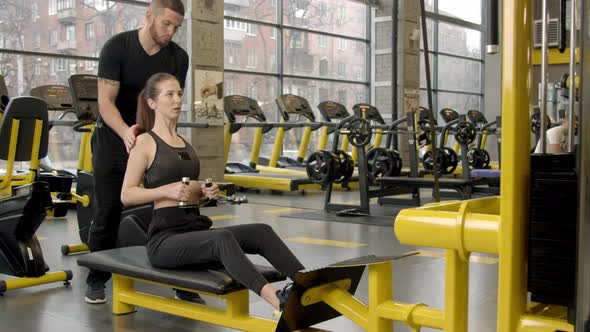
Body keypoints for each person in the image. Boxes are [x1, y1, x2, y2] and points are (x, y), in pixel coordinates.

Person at [121, 73, 304, 311]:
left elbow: (189, 189)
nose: (177, 99)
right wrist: (165, 190)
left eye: (179, 93)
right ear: (152, 103)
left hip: (193, 229)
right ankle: (277, 299)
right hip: (165, 240)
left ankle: (308, 283)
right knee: (221, 238)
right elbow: (127, 195)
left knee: (262, 231)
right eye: (169, 94)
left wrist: (206, 192)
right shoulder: (144, 142)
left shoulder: (184, 142)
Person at [85, 0, 196, 304]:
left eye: (176, 27)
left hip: (153, 139)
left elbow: (170, 104)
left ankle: (182, 277)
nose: (171, 32)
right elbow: (106, 101)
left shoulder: (178, 58)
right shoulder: (117, 47)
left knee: (172, 206)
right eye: (166, 24)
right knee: (108, 210)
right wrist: (125, 132)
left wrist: (167, 142)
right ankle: (97, 277)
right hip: (113, 137)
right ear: (149, 16)